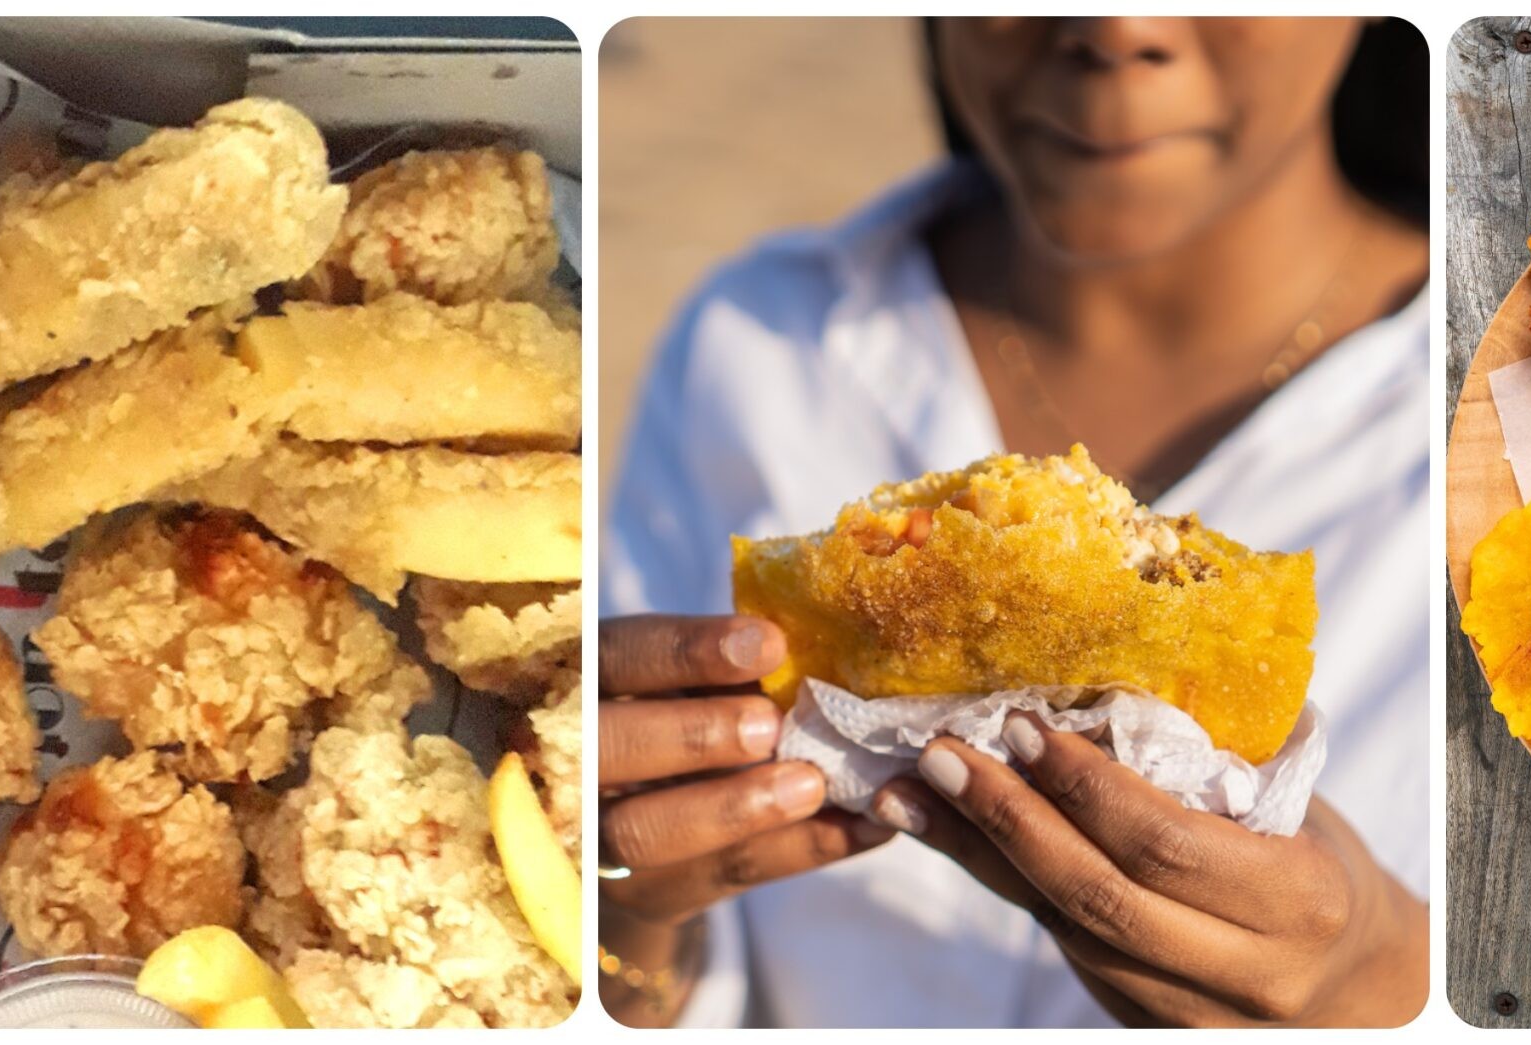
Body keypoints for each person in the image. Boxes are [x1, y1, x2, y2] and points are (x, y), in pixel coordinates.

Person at [600, 16, 1430, 1027]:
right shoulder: (758, 347)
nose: (1115, 29)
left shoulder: (1525, 440)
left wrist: (1391, 982)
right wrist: (622, 919)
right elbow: (645, 969)